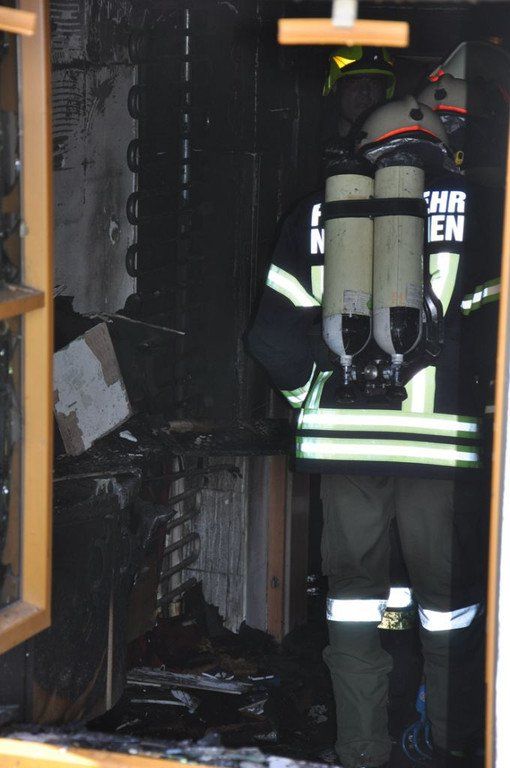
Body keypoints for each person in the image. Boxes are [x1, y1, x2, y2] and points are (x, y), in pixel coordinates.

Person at [248, 51, 493, 767]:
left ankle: (361, 750)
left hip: (345, 444)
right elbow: (492, 330)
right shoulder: (486, 213)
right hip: (442, 451)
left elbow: (271, 337)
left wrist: (311, 400)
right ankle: (448, 745)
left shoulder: (316, 213)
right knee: (448, 609)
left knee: (354, 603)